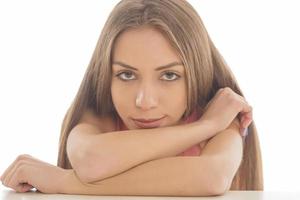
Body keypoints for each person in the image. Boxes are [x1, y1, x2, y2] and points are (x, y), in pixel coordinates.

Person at [0, 0, 263, 196]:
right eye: (126, 75)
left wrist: (62, 182)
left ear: (198, 71)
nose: (144, 101)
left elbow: (211, 177)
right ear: (106, 76)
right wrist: (204, 128)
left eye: (169, 75)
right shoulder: (101, 117)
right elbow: (91, 161)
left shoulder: (220, 119)